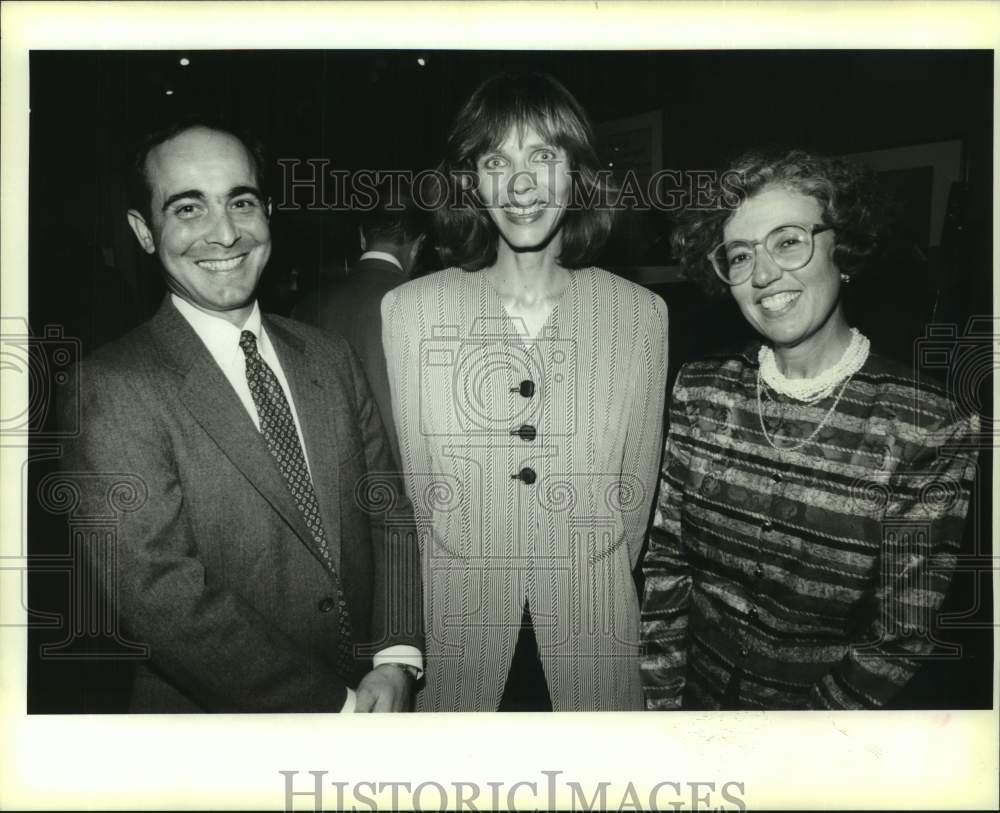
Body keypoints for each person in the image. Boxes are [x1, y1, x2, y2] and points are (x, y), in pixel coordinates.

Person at [60, 119, 423, 712]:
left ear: (268, 212)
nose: (225, 233)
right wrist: (340, 708)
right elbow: (160, 599)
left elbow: (386, 510)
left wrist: (396, 656)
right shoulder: (109, 388)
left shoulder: (328, 354)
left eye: (241, 201)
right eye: (188, 209)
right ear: (143, 233)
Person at [640, 149, 980, 710]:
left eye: (789, 241)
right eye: (741, 255)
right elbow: (666, 566)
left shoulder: (928, 423)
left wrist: (799, 752)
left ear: (840, 248)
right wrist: (662, 709)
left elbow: (900, 635)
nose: (765, 273)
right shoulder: (699, 389)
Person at [382, 73, 669, 711]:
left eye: (543, 156)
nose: (520, 185)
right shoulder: (413, 313)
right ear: (471, 182)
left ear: (576, 173)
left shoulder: (638, 315)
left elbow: (633, 502)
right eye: (495, 160)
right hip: (461, 641)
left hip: (591, 640)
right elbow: (420, 498)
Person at [292, 181, 426, 465]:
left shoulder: (304, 308)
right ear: (417, 245)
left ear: (362, 237)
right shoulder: (430, 307)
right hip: (407, 489)